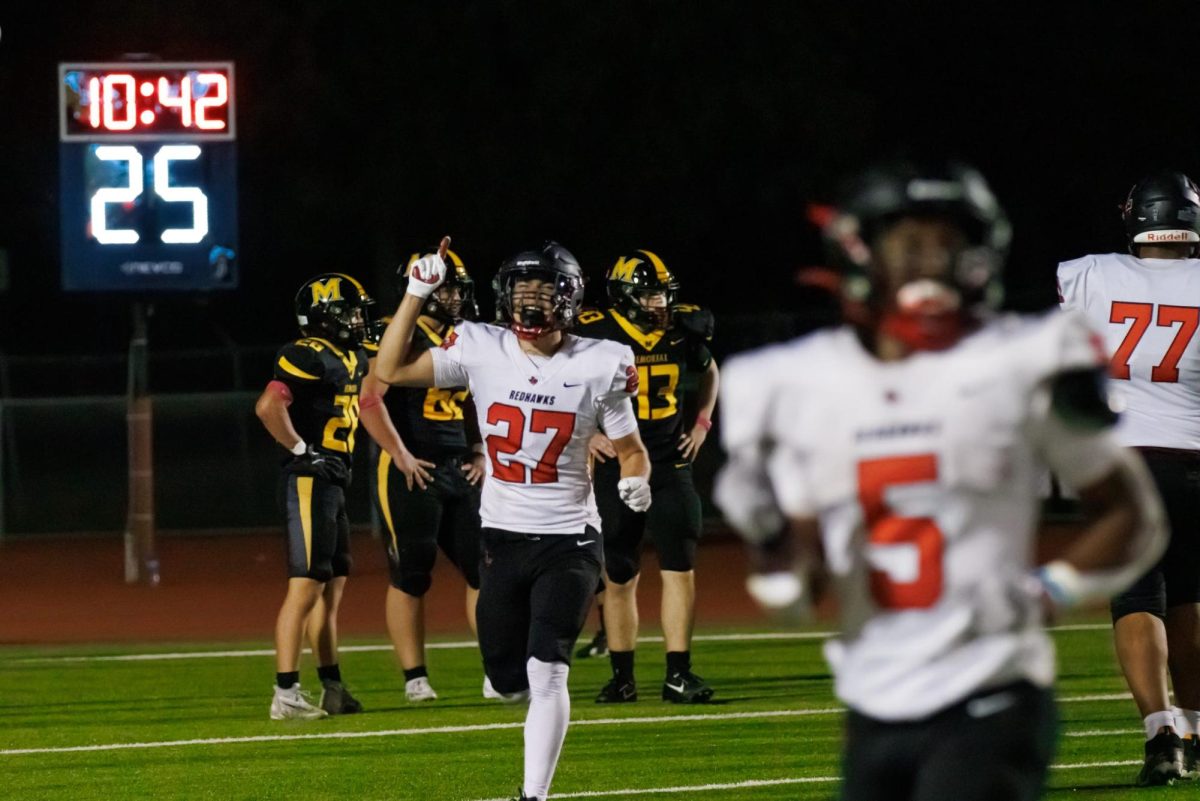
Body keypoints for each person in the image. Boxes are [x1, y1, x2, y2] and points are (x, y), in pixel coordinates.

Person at [715, 161, 1169, 801]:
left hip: (994, 691)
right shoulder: (793, 382)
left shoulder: (1023, 357)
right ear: (857, 253)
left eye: (948, 244)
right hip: (874, 701)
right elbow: (795, 591)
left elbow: (1133, 515)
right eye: (908, 245)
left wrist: (1050, 590)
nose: (929, 264)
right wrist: (767, 538)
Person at [373, 238, 652, 801]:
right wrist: (415, 292)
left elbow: (632, 447)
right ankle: (518, 698)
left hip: (570, 540)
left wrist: (636, 476)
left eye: (542, 291)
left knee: (549, 670)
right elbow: (389, 369)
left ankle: (534, 795)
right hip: (501, 535)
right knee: (505, 681)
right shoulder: (481, 345)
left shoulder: (602, 360)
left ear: (568, 298)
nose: (529, 303)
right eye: (521, 290)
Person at [1057, 170, 1200, 785]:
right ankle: (1194, 730)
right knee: (1193, 595)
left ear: (1135, 215)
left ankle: (1161, 732)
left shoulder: (1086, 273)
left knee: (1137, 596)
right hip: (1195, 458)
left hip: (1124, 463)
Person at [577, 250, 720, 703]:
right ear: (624, 296)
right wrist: (586, 436)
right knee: (619, 573)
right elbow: (559, 386)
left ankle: (678, 673)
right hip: (618, 465)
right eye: (649, 293)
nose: (659, 302)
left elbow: (709, 370)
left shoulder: (682, 330)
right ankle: (622, 678)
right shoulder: (594, 333)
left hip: (668, 465)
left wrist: (701, 424)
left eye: (662, 292)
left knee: (680, 565)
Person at [360, 248, 492, 702]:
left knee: (484, 570)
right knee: (411, 572)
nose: (456, 296)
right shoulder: (399, 334)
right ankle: (415, 677)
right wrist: (399, 453)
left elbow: (480, 398)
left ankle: (495, 670)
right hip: (410, 468)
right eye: (448, 287)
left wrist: (480, 450)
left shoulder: (468, 337)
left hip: (459, 464)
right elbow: (370, 399)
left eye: (459, 288)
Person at [254, 272, 375, 720]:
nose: (357, 319)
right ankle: (285, 694)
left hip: (333, 481)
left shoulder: (351, 355)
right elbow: (268, 407)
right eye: (348, 311)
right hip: (309, 478)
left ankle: (332, 686)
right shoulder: (306, 354)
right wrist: (305, 451)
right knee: (305, 588)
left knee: (329, 593)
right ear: (323, 317)